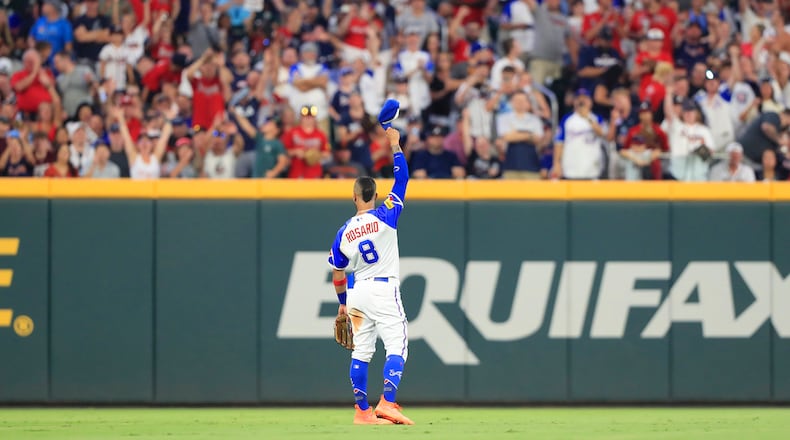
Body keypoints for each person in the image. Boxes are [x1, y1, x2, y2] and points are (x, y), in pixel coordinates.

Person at [327, 126, 414, 426]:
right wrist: (395, 145)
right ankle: (387, 402)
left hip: (358, 293)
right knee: (398, 343)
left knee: (362, 350)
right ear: (375, 195)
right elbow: (402, 180)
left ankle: (362, 411)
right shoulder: (386, 214)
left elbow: (338, 273)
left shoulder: (343, 232)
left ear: (354, 197)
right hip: (383, 288)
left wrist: (341, 303)